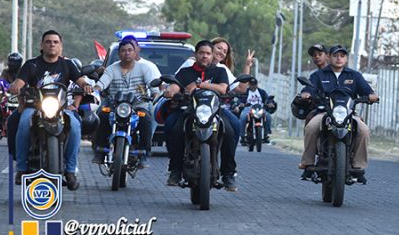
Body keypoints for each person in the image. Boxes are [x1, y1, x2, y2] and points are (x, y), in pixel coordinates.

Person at [9, 30, 92, 190]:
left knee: (75, 126)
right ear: (42, 45)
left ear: (61, 46)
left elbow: (80, 80)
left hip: (61, 108)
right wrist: (15, 86)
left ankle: (70, 171)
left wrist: (85, 85)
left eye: (55, 42)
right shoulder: (31, 64)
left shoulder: (67, 65)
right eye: (48, 42)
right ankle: (21, 168)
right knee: (24, 122)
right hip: (35, 107)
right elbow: (20, 82)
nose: (51, 45)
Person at [163, 40, 239, 191]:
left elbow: (223, 89)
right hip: (189, 111)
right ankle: (175, 170)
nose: (205, 56)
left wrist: (199, 85)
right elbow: (175, 85)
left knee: (230, 132)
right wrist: (170, 91)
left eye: (208, 53)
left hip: (215, 111)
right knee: (174, 129)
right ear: (195, 54)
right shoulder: (185, 72)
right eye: (201, 53)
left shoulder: (220, 71)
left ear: (212, 56)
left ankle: (228, 174)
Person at [299, 45, 378, 183]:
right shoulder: (319, 75)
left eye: (342, 56)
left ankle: (358, 166)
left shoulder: (354, 75)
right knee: (311, 127)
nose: (339, 58)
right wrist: (306, 94)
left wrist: (372, 96)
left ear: (346, 58)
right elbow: (309, 88)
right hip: (324, 112)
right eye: (335, 56)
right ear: (329, 57)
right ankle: (308, 163)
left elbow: (368, 91)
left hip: (348, 113)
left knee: (364, 130)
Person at [92, 36, 160, 168]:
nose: (127, 53)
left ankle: (144, 153)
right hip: (114, 106)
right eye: (123, 51)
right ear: (119, 54)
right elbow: (102, 83)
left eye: (130, 50)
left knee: (146, 119)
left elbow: (153, 86)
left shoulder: (144, 68)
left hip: (138, 106)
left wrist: (155, 94)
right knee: (102, 115)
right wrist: (96, 89)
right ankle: (100, 151)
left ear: (135, 52)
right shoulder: (111, 69)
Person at [238, 78, 274, 144]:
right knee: (243, 116)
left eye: (254, 84)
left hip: (260, 108)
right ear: (249, 84)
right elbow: (239, 99)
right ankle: (242, 136)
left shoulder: (262, 92)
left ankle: (266, 135)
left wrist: (270, 103)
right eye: (251, 84)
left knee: (268, 117)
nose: (253, 86)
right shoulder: (245, 92)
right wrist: (241, 103)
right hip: (248, 108)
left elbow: (268, 99)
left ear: (257, 84)